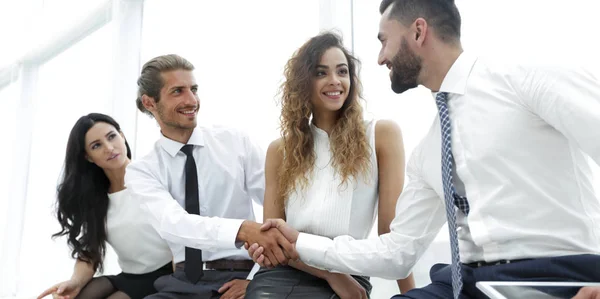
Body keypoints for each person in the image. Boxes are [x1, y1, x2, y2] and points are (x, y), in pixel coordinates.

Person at [247, 0, 600, 298]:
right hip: (465, 283)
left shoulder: (524, 77)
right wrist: (299, 242)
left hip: (553, 274)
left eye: (384, 41)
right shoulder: (430, 150)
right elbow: (398, 251)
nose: (381, 58)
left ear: (418, 32)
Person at [244, 32, 415, 298]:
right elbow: (274, 239)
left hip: (350, 270)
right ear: (303, 83)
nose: (335, 81)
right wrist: (331, 275)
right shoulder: (280, 150)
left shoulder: (381, 135)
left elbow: (390, 233)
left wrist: (411, 295)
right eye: (321, 73)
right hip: (287, 272)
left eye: (342, 71)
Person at [124, 54, 297, 299]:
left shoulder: (236, 142)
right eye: (178, 92)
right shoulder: (142, 171)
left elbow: (284, 209)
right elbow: (173, 224)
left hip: (247, 275)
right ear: (150, 102)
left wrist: (257, 279)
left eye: (193, 89)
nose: (192, 100)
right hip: (183, 283)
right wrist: (243, 229)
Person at [38, 113, 173, 299]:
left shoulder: (156, 177)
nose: (109, 148)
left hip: (168, 274)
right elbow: (91, 251)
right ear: (89, 157)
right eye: (96, 145)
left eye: (111, 137)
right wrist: (75, 282)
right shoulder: (96, 198)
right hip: (129, 276)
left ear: (122, 136)